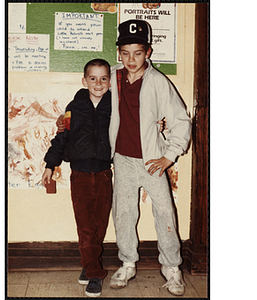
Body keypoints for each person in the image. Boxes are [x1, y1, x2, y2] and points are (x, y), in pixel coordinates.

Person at [108, 20, 191, 296]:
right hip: (122, 158)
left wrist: (169, 156)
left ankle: (171, 268)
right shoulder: (113, 78)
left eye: (138, 53)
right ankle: (128, 262)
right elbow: (93, 101)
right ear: (119, 52)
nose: (132, 59)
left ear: (149, 52)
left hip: (152, 159)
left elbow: (181, 121)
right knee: (123, 212)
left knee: (165, 211)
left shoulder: (157, 82)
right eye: (126, 52)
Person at [42, 59, 113, 298]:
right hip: (80, 175)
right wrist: (50, 165)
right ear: (84, 81)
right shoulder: (74, 107)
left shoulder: (115, 106)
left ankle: (88, 263)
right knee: (85, 225)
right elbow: (61, 139)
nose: (98, 83)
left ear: (110, 82)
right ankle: (94, 273)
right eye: (93, 78)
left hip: (104, 174)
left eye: (103, 78)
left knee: (100, 224)